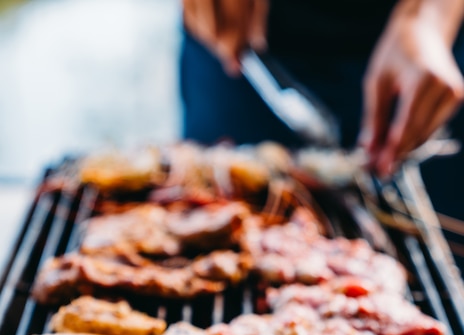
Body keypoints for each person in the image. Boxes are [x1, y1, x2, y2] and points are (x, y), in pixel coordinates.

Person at [179, 0, 464, 268]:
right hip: (245, 30)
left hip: (417, 43)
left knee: (439, 246)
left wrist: (429, 17)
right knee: (201, 217)